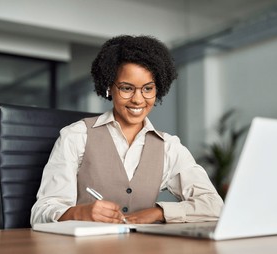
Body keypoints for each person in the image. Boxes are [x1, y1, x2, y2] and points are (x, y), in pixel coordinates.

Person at [30, 35, 223, 225]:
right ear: (109, 87)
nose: (138, 99)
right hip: (85, 251)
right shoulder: (76, 136)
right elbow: (40, 212)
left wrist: (159, 212)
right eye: (126, 88)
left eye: (147, 89)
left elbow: (214, 205)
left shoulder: (168, 147)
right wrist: (79, 212)